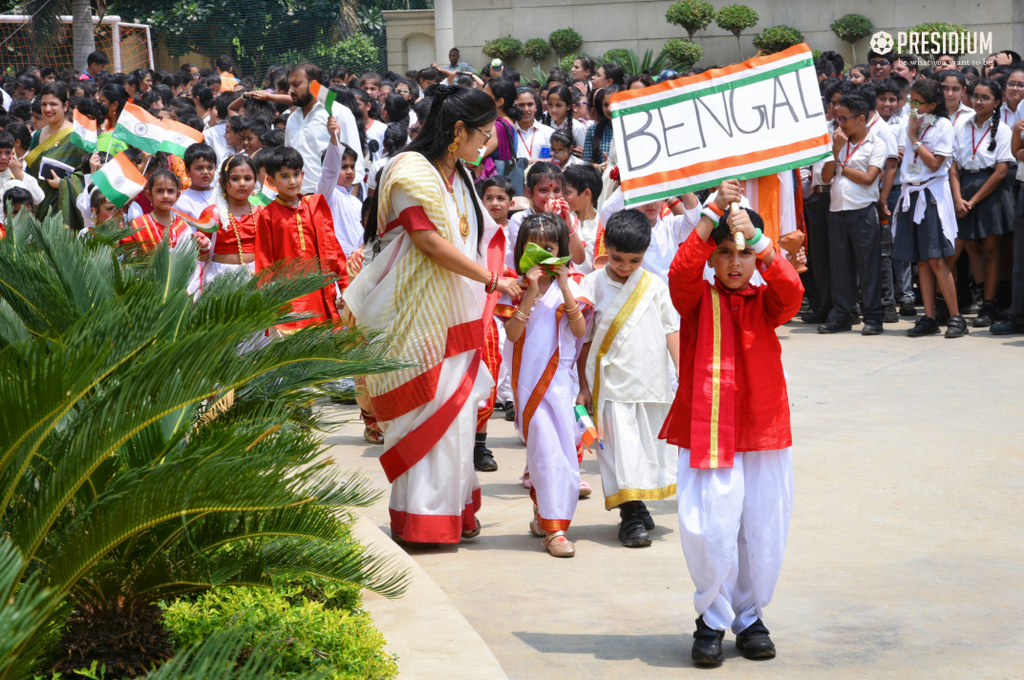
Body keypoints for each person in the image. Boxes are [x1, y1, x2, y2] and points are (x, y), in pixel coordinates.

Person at [342, 85, 521, 547]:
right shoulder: (408, 170)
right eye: (483, 135)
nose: (486, 147)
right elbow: (426, 240)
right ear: (457, 130)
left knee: (457, 418)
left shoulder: (459, 174)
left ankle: (453, 512)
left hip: (455, 314)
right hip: (411, 317)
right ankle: (421, 519)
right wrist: (490, 279)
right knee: (424, 414)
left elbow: (487, 235)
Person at [662, 179, 802, 665]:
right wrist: (713, 209)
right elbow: (679, 273)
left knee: (760, 528)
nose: (735, 263)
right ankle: (710, 619)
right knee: (711, 530)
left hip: (762, 430)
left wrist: (761, 241)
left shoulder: (768, 301)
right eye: (724, 253)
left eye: (744, 254)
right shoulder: (696, 299)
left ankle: (749, 617)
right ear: (712, 258)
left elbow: (793, 290)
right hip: (709, 432)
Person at [577, 209, 679, 548]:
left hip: (651, 381)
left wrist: (683, 374)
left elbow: (670, 329)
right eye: (618, 258)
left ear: (646, 253)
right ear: (606, 246)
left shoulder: (654, 285)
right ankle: (630, 515)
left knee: (647, 450)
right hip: (610, 386)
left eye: (634, 261)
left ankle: (637, 503)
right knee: (621, 453)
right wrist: (583, 386)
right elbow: (585, 340)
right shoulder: (591, 285)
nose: (624, 267)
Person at [495, 212, 592, 557]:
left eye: (548, 247)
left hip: (562, 385)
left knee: (562, 454)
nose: (541, 254)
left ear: (561, 251)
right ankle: (555, 531)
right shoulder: (515, 287)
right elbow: (512, 333)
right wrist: (529, 293)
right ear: (521, 251)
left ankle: (546, 516)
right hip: (529, 384)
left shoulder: (574, 287)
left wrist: (564, 286)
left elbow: (580, 333)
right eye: (532, 248)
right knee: (545, 451)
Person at [893, 79, 965, 338]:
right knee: (921, 261)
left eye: (917, 102)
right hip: (911, 193)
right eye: (910, 100)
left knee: (936, 259)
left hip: (931, 194)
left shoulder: (943, 125)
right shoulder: (912, 122)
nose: (912, 106)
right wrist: (912, 135)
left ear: (932, 105)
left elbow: (935, 163)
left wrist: (913, 139)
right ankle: (930, 317)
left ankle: (956, 317)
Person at [254, 146, 348, 333]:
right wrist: (268, 301)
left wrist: (345, 286)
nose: (292, 181)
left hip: (319, 293)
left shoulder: (314, 206)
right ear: (271, 180)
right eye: (285, 176)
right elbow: (264, 262)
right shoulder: (267, 215)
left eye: (296, 174)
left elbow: (333, 250)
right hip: (287, 297)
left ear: (303, 175)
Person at [818, 93, 887, 335]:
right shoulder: (837, 141)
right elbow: (825, 178)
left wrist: (841, 167)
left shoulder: (876, 143)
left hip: (863, 211)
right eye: (837, 118)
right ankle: (843, 314)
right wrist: (835, 151)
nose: (840, 123)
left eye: (844, 118)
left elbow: (869, 178)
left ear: (861, 118)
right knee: (840, 267)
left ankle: (874, 316)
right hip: (837, 210)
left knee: (868, 266)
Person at [949, 78, 1015, 328]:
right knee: (952, 250)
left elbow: (1000, 172)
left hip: (990, 192)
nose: (978, 101)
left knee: (991, 251)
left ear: (997, 102)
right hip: (963, 188)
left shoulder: (1003, 130)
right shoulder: (961, 126)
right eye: (975, 96)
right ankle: (948, 305)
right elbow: (953, 167)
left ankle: (988, 305)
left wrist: (974, 200)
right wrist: (958, 198)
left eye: (985, 97)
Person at [474, 175, 516, 472]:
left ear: (510, 203)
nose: (494, 203)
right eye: (488, 197)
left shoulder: (517, 231)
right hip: (470, 311)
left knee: (489, 376)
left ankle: (480, 445)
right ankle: (462, 443)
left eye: (500, 198)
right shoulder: (472, 232)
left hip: (501, 318)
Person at [284, 62, 364, 195]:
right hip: (297, 200)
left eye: (296, 85)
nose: (290, 90)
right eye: (290, 85)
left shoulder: (338, 112)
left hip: (330, 199)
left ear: (313, 84)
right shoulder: (292, 118)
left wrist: (352, 203)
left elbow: (357, 166)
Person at [188, 154, 259, 295]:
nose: (242, 183)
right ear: (222, 182)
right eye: (235, 179)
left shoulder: (262, 214)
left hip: (254, 276)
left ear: (255, 182)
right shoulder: (211, 214)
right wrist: (202, 246)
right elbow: (201, 258)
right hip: (219, 277)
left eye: (248, 178)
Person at [24, 82, 89, 230]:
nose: (47, 109)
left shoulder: (77, 137)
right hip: (36, 207)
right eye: (43, 104)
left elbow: (89, 175)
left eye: (53, 104)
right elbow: (30, 172)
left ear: (65, 106)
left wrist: (63, 184)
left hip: (65, 210)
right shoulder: (37, 135)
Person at [317, 117, 363, 258]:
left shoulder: (356, 202)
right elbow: (330, 171)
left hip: (357, 263)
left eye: (352, 167)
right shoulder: (327, 193)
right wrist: (335, 139)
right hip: (336, 262)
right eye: (343, 167)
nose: (349, 171)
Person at [122, 170, 192, 251]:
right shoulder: (137, 226)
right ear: (149, 195)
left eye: (170, 191)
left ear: (178, 195)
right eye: (159, 191)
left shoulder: (183, 227)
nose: (165, 196)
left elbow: (195, 259)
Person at [563, 163, 604, 274]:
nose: (563, 197)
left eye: (567, 192)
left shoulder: (605, 227)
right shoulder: (562, 220)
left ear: (586, 194)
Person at [0, 130, 44, 223]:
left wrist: (18, 173)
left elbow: (38, 198)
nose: (3, 157)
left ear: (13, 153)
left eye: (7, 152)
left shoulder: (19, 175)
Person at [174, 143, 218, 218]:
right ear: (187, 172)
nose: (205, 172)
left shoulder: (222, 195)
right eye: (199, 168)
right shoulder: (182, 201)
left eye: (210, 168)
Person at [583, 85, 621, 166]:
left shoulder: (633, 127)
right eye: (605, 105)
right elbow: (586, 163)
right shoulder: (593, 130)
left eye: (613, 104)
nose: (609, 109)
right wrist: (601, 167)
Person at [513, 87, 553, 161]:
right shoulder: (509, 133)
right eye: (521, 105)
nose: (526, 109)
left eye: (530, 104)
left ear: (536, 106)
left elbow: (558, 160)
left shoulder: (548, 133)